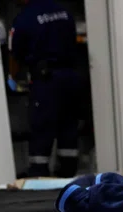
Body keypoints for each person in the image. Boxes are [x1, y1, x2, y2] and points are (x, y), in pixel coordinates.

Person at [9, 0, 83, 178]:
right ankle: (68, 174)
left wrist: (12, 77)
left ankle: (39, 176)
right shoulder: (63, 10)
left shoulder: (24, 18)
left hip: (46, 82)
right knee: (68, 126)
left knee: (42, 129)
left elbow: (15, 55)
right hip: (71, 78)